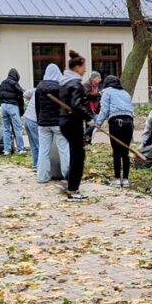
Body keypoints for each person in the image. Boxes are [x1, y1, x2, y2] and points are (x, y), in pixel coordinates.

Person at [59, 51, 95, 199]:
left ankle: (71, 186)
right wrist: (89, 118)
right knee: (78, 155)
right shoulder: (75, 83)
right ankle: (73, 190)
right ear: (77, 67)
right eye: (83, 66)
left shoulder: (65, 82)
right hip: (72, 122)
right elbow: (75, 105)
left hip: (64, 121)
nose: (85, 70)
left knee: (76, 154)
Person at [95, 74, 134, 187]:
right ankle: (126, 180)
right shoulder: (126, 93)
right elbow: (131, 111)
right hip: (128, 123)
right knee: (125, 152)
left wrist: (98, 123)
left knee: (117, 152)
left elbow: (104, 109)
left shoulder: (107, 92)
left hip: (116, 123)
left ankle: (117, 179)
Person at [34, 64, 68, 183]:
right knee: (64, 149)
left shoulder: (40, 87)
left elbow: (37, 106)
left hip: (43, 123)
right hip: (59, 122)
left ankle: (42, 177)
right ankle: (68, 176)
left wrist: (39, 119)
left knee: (43, 150)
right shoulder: (62, 87)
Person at [0, 68, 26, 155]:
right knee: (17, 128)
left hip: (3, 107)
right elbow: (21, 94)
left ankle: (7, 150)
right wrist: (21, 109)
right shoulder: (14, 83)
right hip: (12, 106)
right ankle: (20, 149)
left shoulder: (2, 83)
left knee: (6, 129)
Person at [23, 85, 40, 168]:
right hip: (33, 120)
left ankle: (36, 165)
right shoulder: (47, 92)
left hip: (27, 118)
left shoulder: (36, 90)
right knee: (39, 145)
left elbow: (25, 94)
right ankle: (41, 167)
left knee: (33, 145)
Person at [83, 71, 102, 143]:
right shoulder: (86, 85)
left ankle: (87, 142)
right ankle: (84, 136)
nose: (100, 80)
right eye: (98, 78)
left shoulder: (95, 86)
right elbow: (87, 95)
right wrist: (98, 94)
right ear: (93, 78)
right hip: (87, 108)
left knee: (90, 125)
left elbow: (96, 97)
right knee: (96, 123)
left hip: (94, 109)